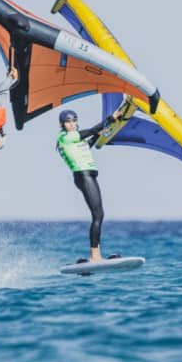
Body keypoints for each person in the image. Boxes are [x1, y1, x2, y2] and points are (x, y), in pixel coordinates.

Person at [57, 107, 123, 262]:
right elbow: (92, 130)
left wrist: (103, 131)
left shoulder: (76, 140)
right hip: (83, 175)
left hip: (89, 175)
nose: (72, 124)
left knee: (98, 215)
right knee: (98, 215)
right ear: (62, 124)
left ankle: (96, 255)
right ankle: (95, 256)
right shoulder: (65, 137)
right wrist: (110, 118)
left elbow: (90, 141)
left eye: (74, 121)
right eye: (68, 122)